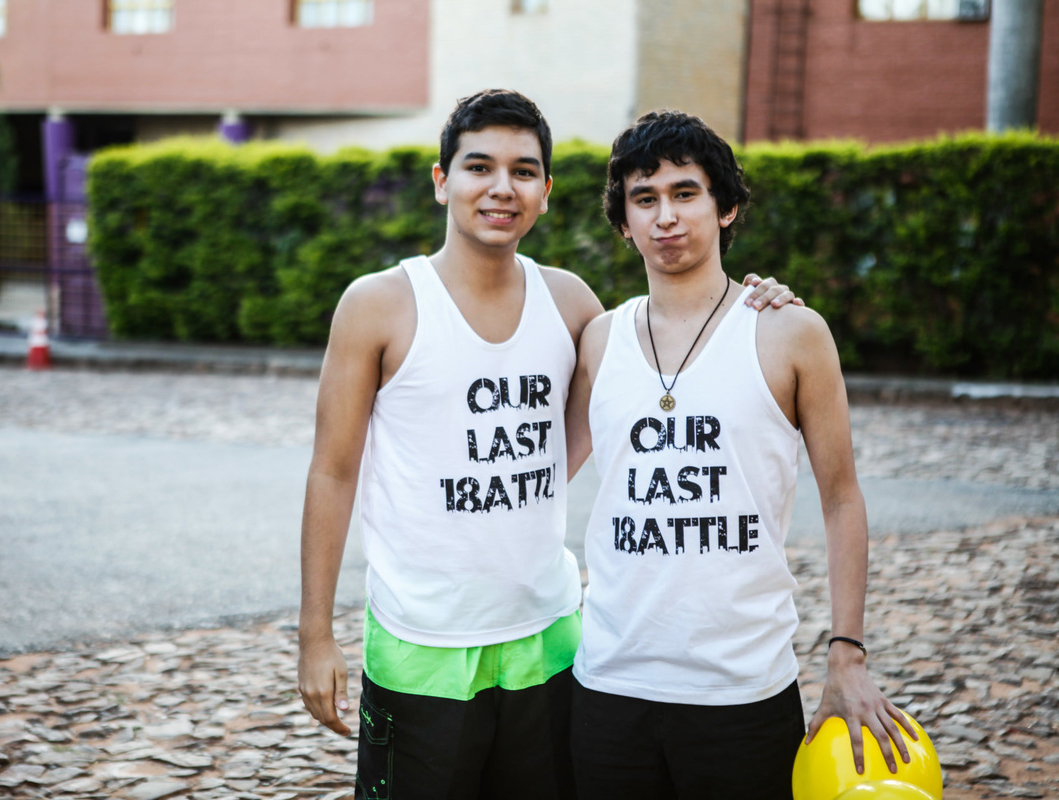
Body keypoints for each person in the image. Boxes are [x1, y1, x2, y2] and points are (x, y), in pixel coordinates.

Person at [296, 90, 795, 800]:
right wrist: (315, 634)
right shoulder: (378, 304)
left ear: (547, 191)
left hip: (551, 638)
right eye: (479, 167)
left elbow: (646, 366)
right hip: (421, 643)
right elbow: (332, 471)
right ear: (442, 181)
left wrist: (761, 298)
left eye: (524, 171)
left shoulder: (571, 305)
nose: (502, 188)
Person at [564, 109, 914, 799]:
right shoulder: (599, 341)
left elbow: (841, 498)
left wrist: (846, 654)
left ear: (724, 208)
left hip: (743, 691)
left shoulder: (790, 332)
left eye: (685, 193)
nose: (666, 216)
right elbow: (537, 475)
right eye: (644, 198)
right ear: (624, 222)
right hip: (609, 684)